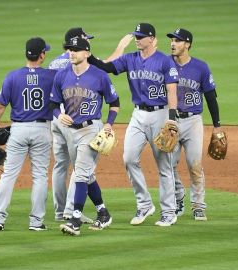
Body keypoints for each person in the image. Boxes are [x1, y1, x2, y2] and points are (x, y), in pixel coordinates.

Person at [88, 23, 180, 226]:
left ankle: (169, 211)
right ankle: (145, 204)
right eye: (136, 36)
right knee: (129, 158)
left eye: (141, 36)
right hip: (138, 115)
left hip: (160, 114)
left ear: (152, 39)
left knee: (164, 165)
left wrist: (172, 118)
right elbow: (106, 67)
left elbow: (172, 91)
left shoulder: (165, 62)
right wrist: (88, 53)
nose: (137, 39)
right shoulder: (130, 59)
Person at [50, 37, 120, 236]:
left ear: (87, 53)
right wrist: (59, 115)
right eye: (70, 49)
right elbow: (53, 103)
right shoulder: (62, 75)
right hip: (70, 131)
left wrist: (108, 124)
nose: (72, 53)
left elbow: (114, 103)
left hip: (91, 129)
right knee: (87, 175)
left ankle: (75, 219)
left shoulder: (100, 76)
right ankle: (103, 213)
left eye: (77, 50)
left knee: (80, 173)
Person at [0, 37, 55, 232]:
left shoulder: (12, 76)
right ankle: (36, 222)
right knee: (40, 176)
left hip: (18, 130)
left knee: (9, 174)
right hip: (42, 130)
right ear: (42, 55)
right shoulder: (52, 76)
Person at [166, 28, 223, 221]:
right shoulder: (165, 64)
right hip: (171, 120)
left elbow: (211, 97)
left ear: (187, 44)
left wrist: (217, 125)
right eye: (172, 40)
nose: (173, 44)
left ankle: (198, 205)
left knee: (194, 164)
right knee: (168, 164)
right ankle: (178, 195)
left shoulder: (200, 67)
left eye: (178, 41)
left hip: (193, 121)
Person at [47, 27, 94, 224]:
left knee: (60, 165)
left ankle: (59, 212)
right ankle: (70, 210)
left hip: (55, 117)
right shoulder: (77, 61)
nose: (88, 43)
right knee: (80, 165)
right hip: (71, 117)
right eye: (85, 40)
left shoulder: (53, 62)